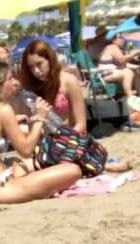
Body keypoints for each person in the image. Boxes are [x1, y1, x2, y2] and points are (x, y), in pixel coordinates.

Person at [0, 61, 80, 206]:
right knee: (73, 170)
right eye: (10, 79)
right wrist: (39, 118)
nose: (16, 83)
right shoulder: (3, 109)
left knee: (23, 164)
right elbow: (26, 150)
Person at [17, 41, 132, 173]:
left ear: (49, 59)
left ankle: (105, 166)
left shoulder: (68, 81)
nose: (36, 71)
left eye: (39, 64)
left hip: (73, 139)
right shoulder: (32, 91)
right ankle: (104, 166)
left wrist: (61, 143)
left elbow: (81, 124)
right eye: (31, 67)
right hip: (48, 144)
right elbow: (34, 131)